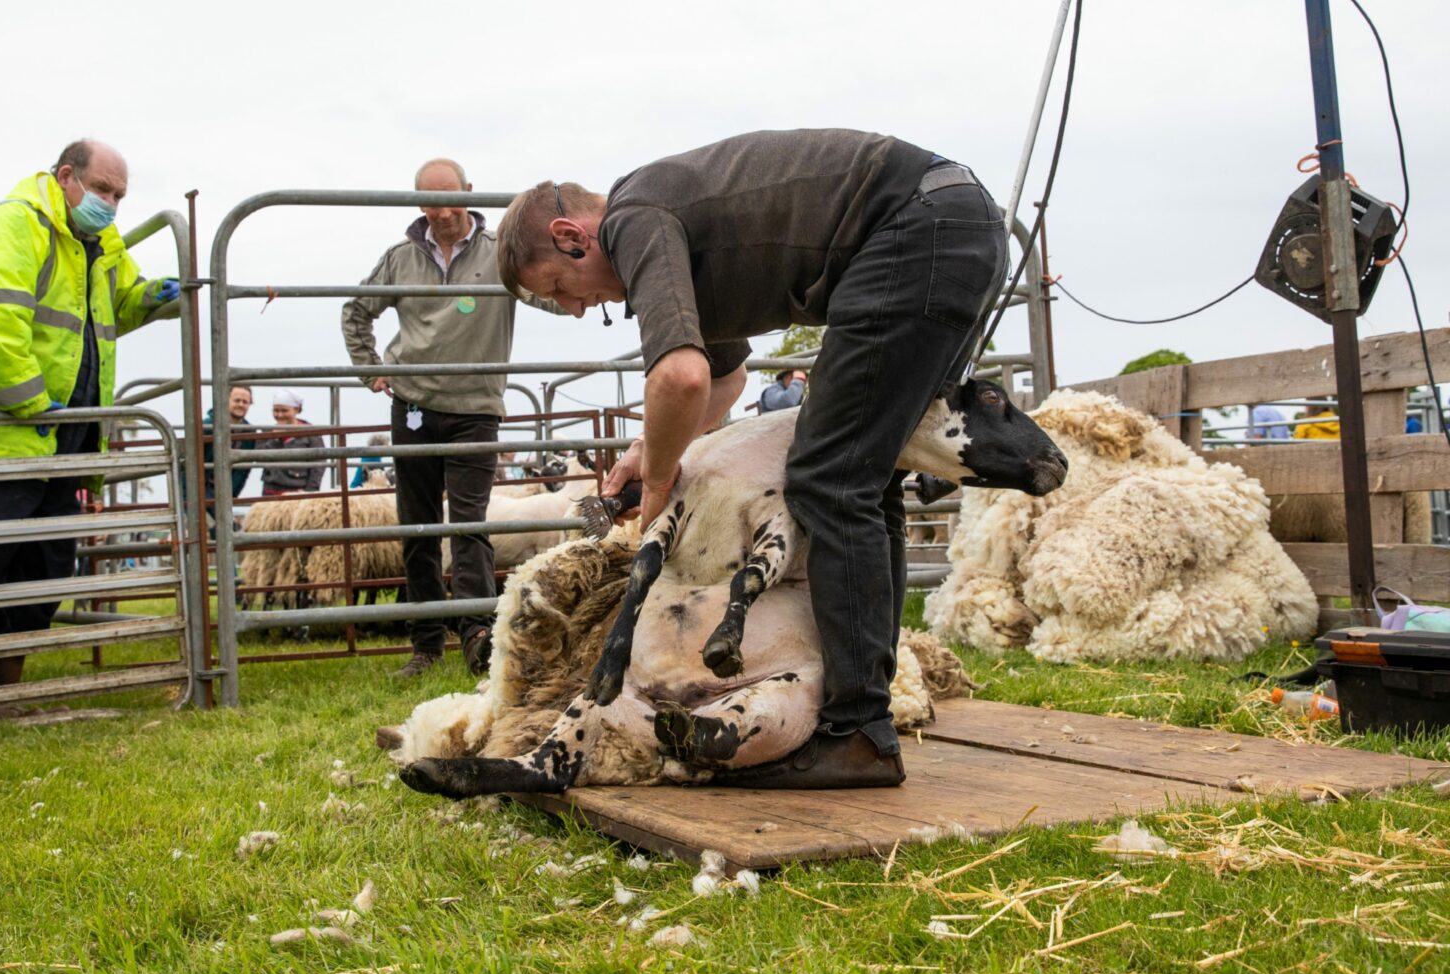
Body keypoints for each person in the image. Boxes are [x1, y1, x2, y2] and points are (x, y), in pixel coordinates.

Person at [497, 129, 1007, 788]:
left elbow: (678, 377)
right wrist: (642, 452)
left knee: (829, 477)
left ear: (572, 235)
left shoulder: (634, 219)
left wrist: (656, 480)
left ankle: (858, 732)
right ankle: (862, 714)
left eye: (558, 287)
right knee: (859, 474)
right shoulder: (672, 226)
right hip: (944, 222)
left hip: (918, 229)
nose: (571, 307)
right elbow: (723, 380)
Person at [0, 139, 179, 715]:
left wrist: (156, 298)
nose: (110, 204)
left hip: (62, 440)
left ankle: (8, 691)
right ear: (66, 176)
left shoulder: (100, 244)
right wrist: (34, 403)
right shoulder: (5, 227)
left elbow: (115, 307)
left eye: (120, 195)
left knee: (43, 566)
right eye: (103, 189)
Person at [341, 157, 562, 679]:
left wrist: (587, 286)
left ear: (469, 192)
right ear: (418, 203)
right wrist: (367, 369)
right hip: (413, 404)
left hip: (475, 409)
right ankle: (424, 645)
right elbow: (355, 310)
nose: (442, 210)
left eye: (451, 196)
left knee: (470, 526)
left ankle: (477, 636)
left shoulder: (497, 253)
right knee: (417, 528)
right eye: (431, 200)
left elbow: (544, 290)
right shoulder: (400, 258)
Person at [256, 389, 325, 495]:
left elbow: (318, 464)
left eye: (284, 411)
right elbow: (258, 458)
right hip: (270, 492)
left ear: (296, 409)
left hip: (298, 492)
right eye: (276, 410)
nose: (279, 415)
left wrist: (310, 491)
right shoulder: (266, 433)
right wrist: (275, 439)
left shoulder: (311, 433)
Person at [203, 384, 257, 504]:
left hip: (226, 493)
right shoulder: (208, 426)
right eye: (237, 400)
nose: (241, 405)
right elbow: (189, 464)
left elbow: (244, 470)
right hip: (202, 490)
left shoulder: (250, 433)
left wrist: (232, 495)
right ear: (225, 400)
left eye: (245, 402)